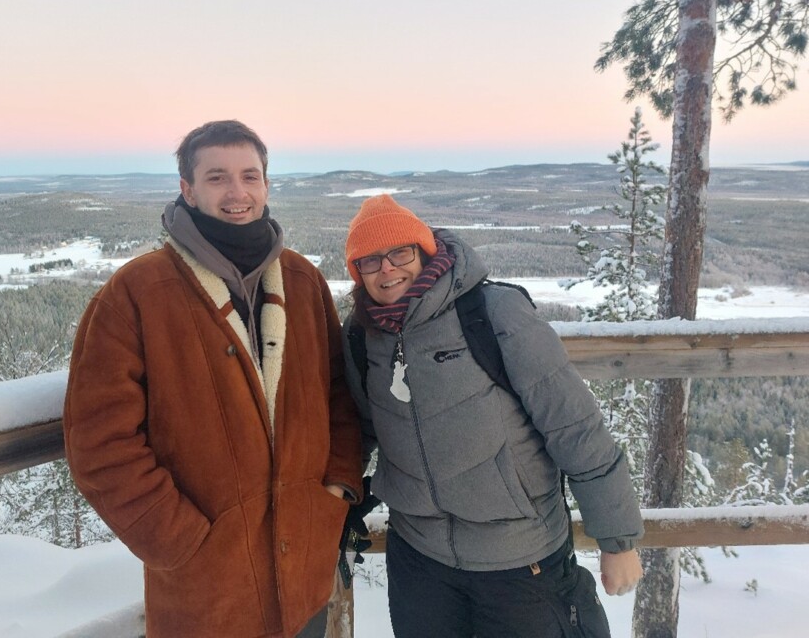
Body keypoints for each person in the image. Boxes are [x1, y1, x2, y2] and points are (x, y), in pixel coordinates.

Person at [63, 120, 363, 638]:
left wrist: (334, 490)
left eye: (250, 176)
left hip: (305, 577)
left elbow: (339, 395)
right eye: (218, 177)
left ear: (266, 185)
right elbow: (99, 442)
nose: (237, 192)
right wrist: (179, 540)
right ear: (188, 190)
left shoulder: (301, 279)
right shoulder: (137, 292)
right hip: (206, 595)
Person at [341, 194, 644, 638]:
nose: (387, 269)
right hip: (421, 563)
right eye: (370, 260)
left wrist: (617, 540)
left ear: (424, 252)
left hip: (521, 559)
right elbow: (363, 429)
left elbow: (574, 425)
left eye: (399, 252)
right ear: (357, 272)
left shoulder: (493, 312)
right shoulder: (361, 335)